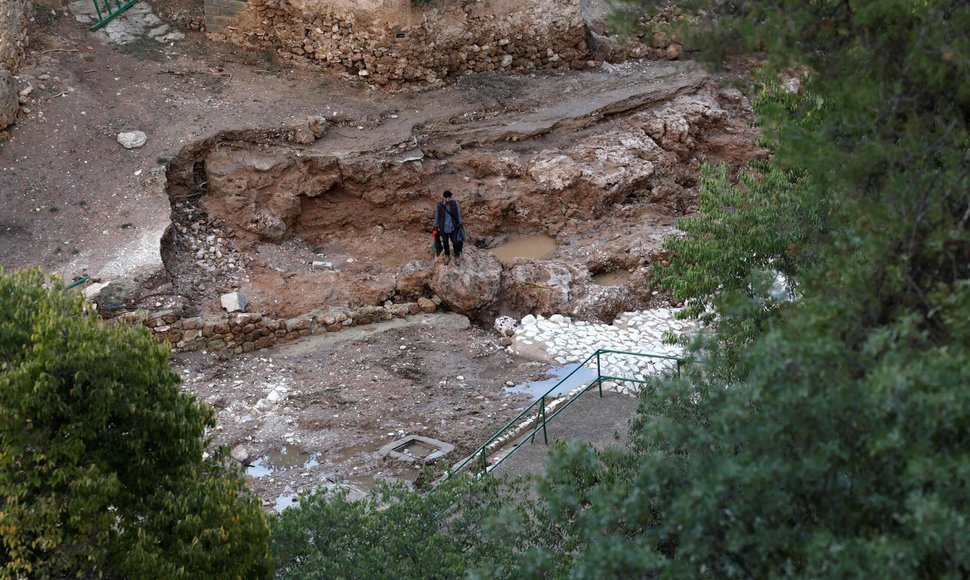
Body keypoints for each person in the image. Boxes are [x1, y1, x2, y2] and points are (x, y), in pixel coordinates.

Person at [434, 190, 464, 266]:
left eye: (450, 197)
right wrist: (435, 225)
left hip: (453, 227)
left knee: (455, 242)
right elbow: (437, 216)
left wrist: (460, 223)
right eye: (448, 198)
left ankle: (457, 256)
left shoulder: (454, 204)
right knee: (445, 242)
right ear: (444, 198)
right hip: (443, 227)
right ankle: (447, 255)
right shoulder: (440, 205)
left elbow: (458, 213)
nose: (449, 199)